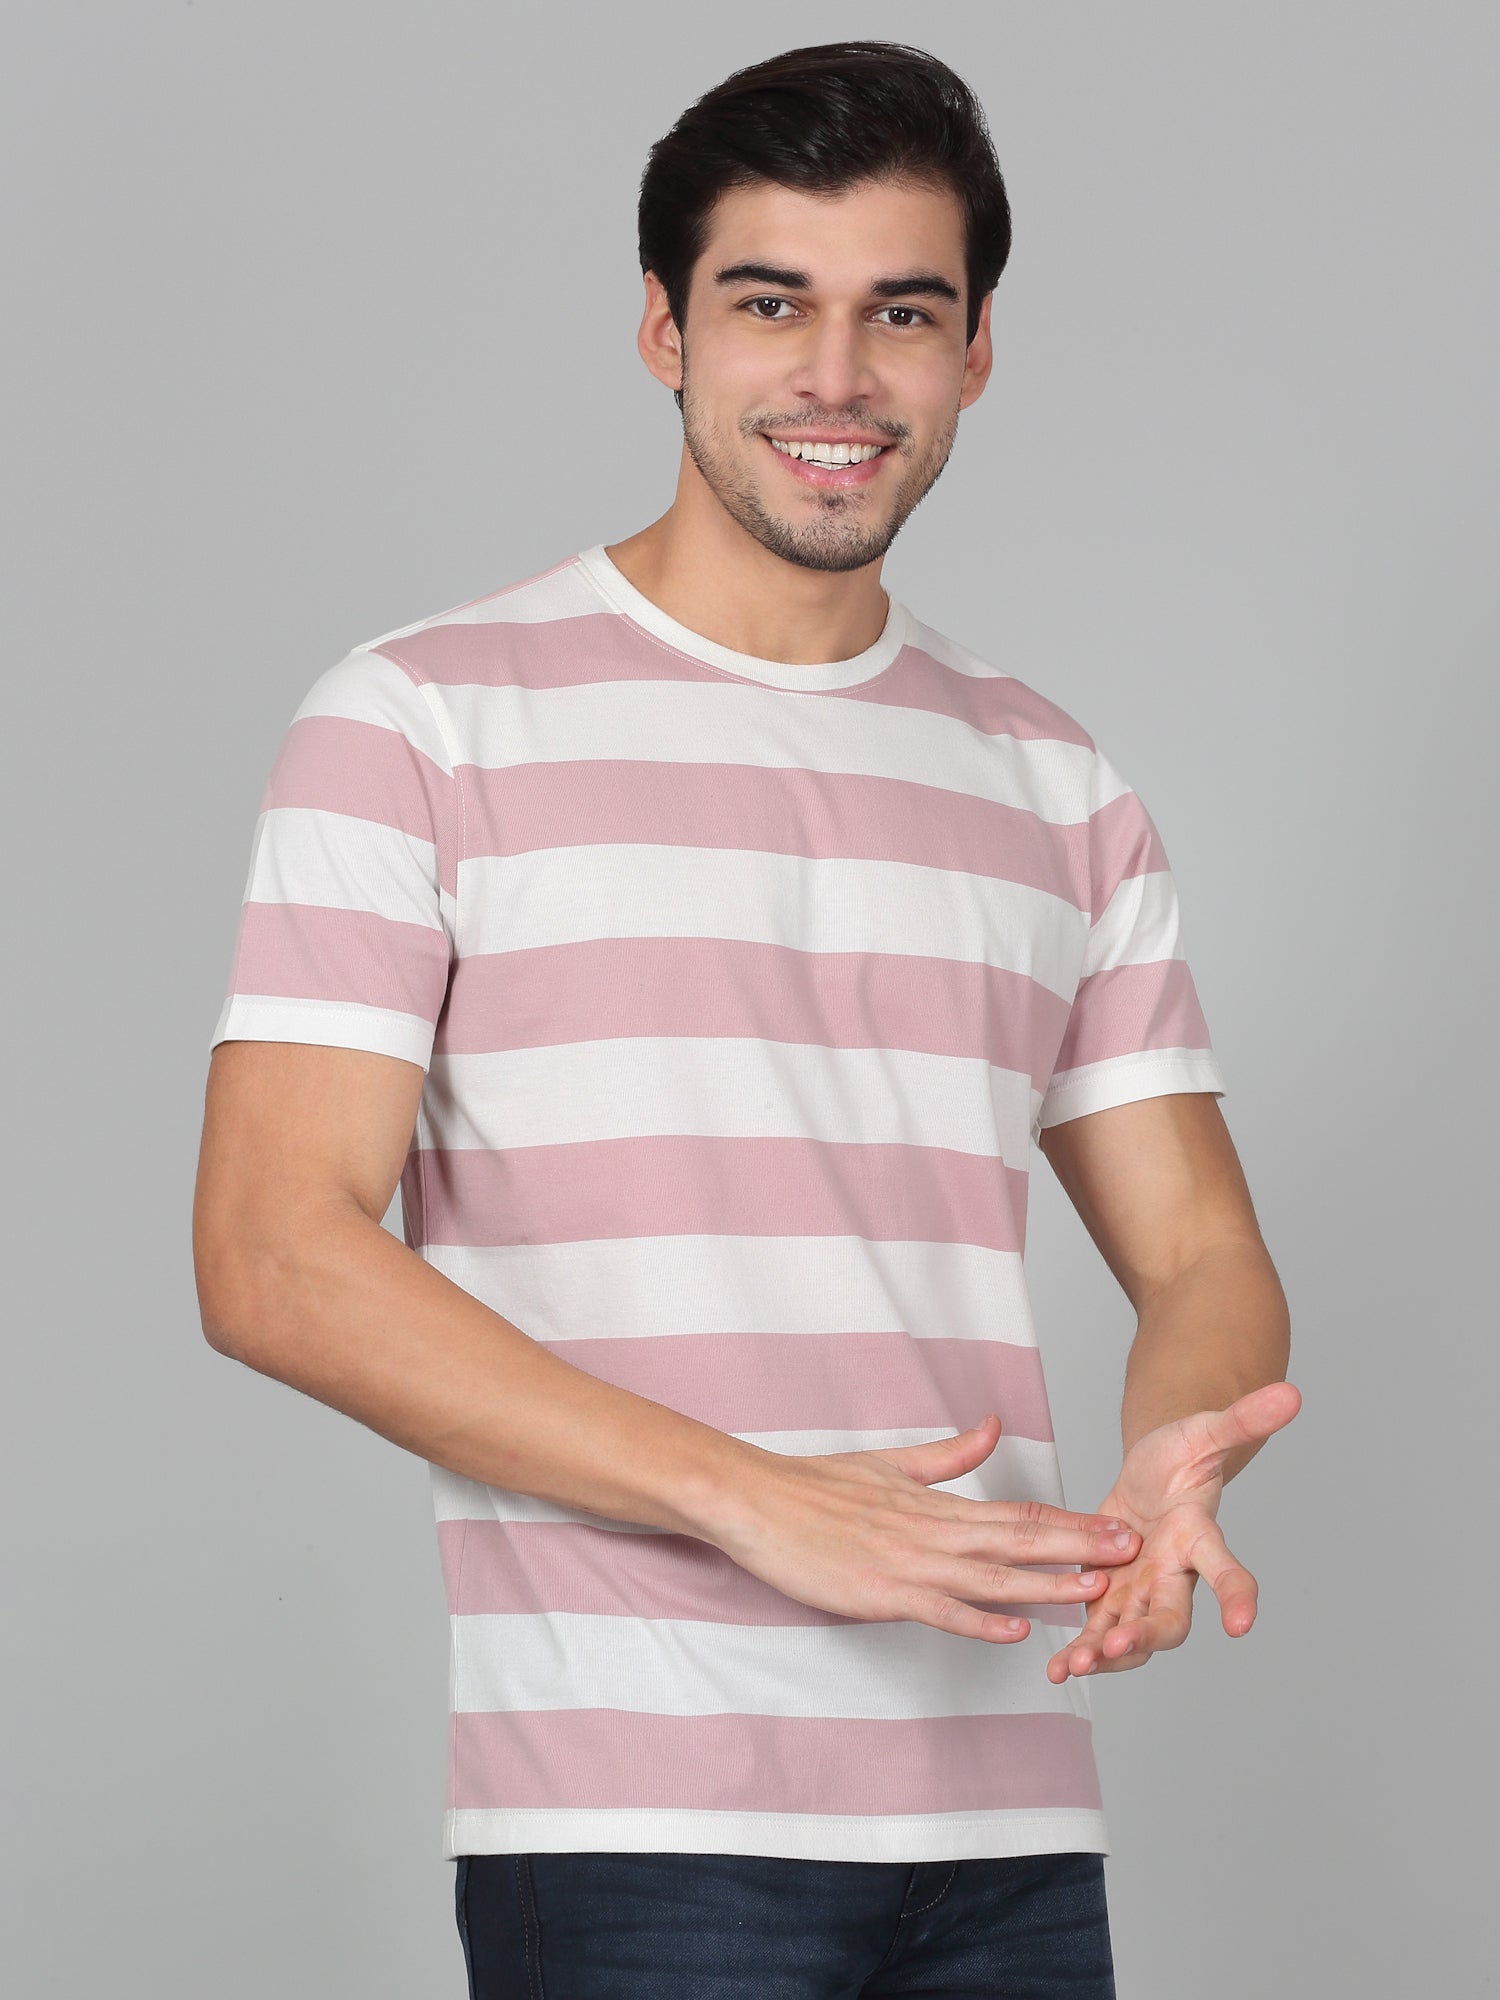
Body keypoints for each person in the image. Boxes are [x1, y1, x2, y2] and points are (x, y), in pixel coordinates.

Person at [192, 36, 1299, 1999]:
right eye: (771, 303)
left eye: (904, 313)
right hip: (640, 1823)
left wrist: (1174, 1453)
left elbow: (1204, 1250)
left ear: (977, 352)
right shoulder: (422, 722)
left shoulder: (1054, 779)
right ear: (665, 329)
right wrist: (761, 1505)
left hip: (1008, 1818)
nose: (837, 376)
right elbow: (271, 1254)